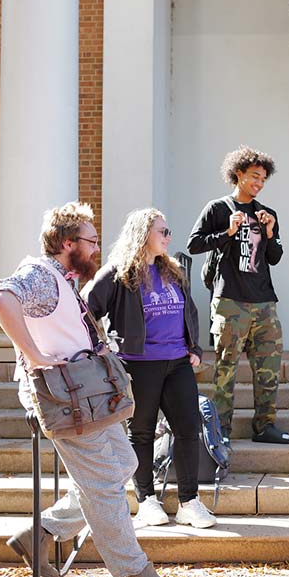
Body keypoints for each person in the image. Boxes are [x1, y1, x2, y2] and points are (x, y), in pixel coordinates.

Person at [0, 202, 188, 577]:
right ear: (67, 243)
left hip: (87, 395)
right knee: (103, 485)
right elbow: (1, 297)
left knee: (124, 464)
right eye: (91, 241)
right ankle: (134, 573)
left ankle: (41, 532)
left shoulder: (60, 278)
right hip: (67, 400)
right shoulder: (40, 276)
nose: (97, 249)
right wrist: (33, 355)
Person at [83, 208, 217, 529]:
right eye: (162, 231)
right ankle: (147, 502)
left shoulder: (172, 271)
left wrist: (194, 347)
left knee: (187, 429)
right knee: (141, 433)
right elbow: (85, 308)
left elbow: (191, 310)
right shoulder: (118, 273)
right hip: (139, 366)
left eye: (168, 231)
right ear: (143, 234)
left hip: (177, 363)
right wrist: (99, 347)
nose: (168, 237)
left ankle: (189, 502)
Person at [187, 145, 289, 444]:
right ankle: (220, 430)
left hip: (265, 302)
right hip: (230, 301)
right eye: (254, 177)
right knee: (226, 369)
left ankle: (266, 426)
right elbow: (194, 244)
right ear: (238, 174)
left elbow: (274, 257)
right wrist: (227, 233)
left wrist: (271, 232)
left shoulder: (267, 213)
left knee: (269, 370)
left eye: (263, 179)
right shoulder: (218, 209)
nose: (259, 183)